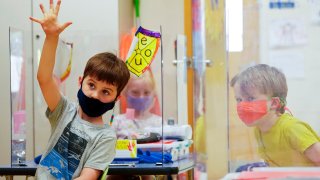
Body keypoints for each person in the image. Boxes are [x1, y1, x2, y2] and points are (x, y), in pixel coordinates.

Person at [29, 0, 130, 179]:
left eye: (106, 92)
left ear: (117, 98)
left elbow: (86, 178)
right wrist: (51, 37)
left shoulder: (106, 137)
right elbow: (44, 78)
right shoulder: (64, 111)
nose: (95, 95)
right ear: (80, 81)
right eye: (91, 85)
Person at [230, 64, 320, 167]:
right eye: (239, 99)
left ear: (274, 103)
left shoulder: (292, 129)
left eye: (250, 98)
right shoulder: (258, 130)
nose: (242, 105)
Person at [112, 69, 162, 139]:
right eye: (135, 92)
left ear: (153, 94)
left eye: (146, 92)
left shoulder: (159, 123)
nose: (141, 97)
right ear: (125, 93)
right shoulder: (118, 122)